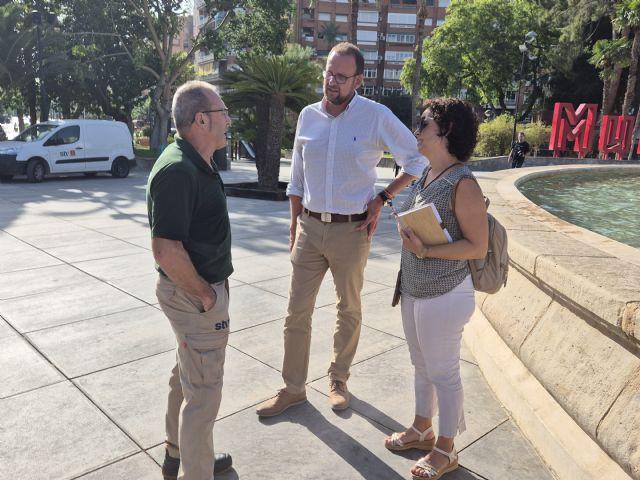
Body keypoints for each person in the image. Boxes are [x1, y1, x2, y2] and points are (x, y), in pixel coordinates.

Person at [256, 42, 427, 417]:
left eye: (341, 76)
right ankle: (293, 388)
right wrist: (293, 222)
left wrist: (382, 197)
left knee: (348, 308)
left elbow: (417, 159)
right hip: (309, 227)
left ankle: (338, 380)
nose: (331, 81)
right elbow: (297, 177)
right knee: (295, 313)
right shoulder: (307, 116)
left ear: (358, 80)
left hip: (351, 231)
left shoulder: (375, 116)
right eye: (328, 72)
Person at [383, 98, 488, 480]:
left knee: (444, 372)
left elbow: (478, 246)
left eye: (424, 124)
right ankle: (422, 428)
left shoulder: (463, 182)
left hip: (445, 293)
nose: (417, 130)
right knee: (421, 365)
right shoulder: (427, 173)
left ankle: (446, 449)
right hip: (414, 287)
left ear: (446, 133)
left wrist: (426, 248)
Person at [147, 80, 233, 480]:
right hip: (194, 297)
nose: (228, 121)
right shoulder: (179, 169)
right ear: (201, 119)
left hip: (193, 295)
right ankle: (195, 471)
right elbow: (166, 250)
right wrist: (205, 295)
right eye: (222, 113)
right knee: (203, 393)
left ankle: (180, 455)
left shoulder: (194, 159)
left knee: (187, 375)